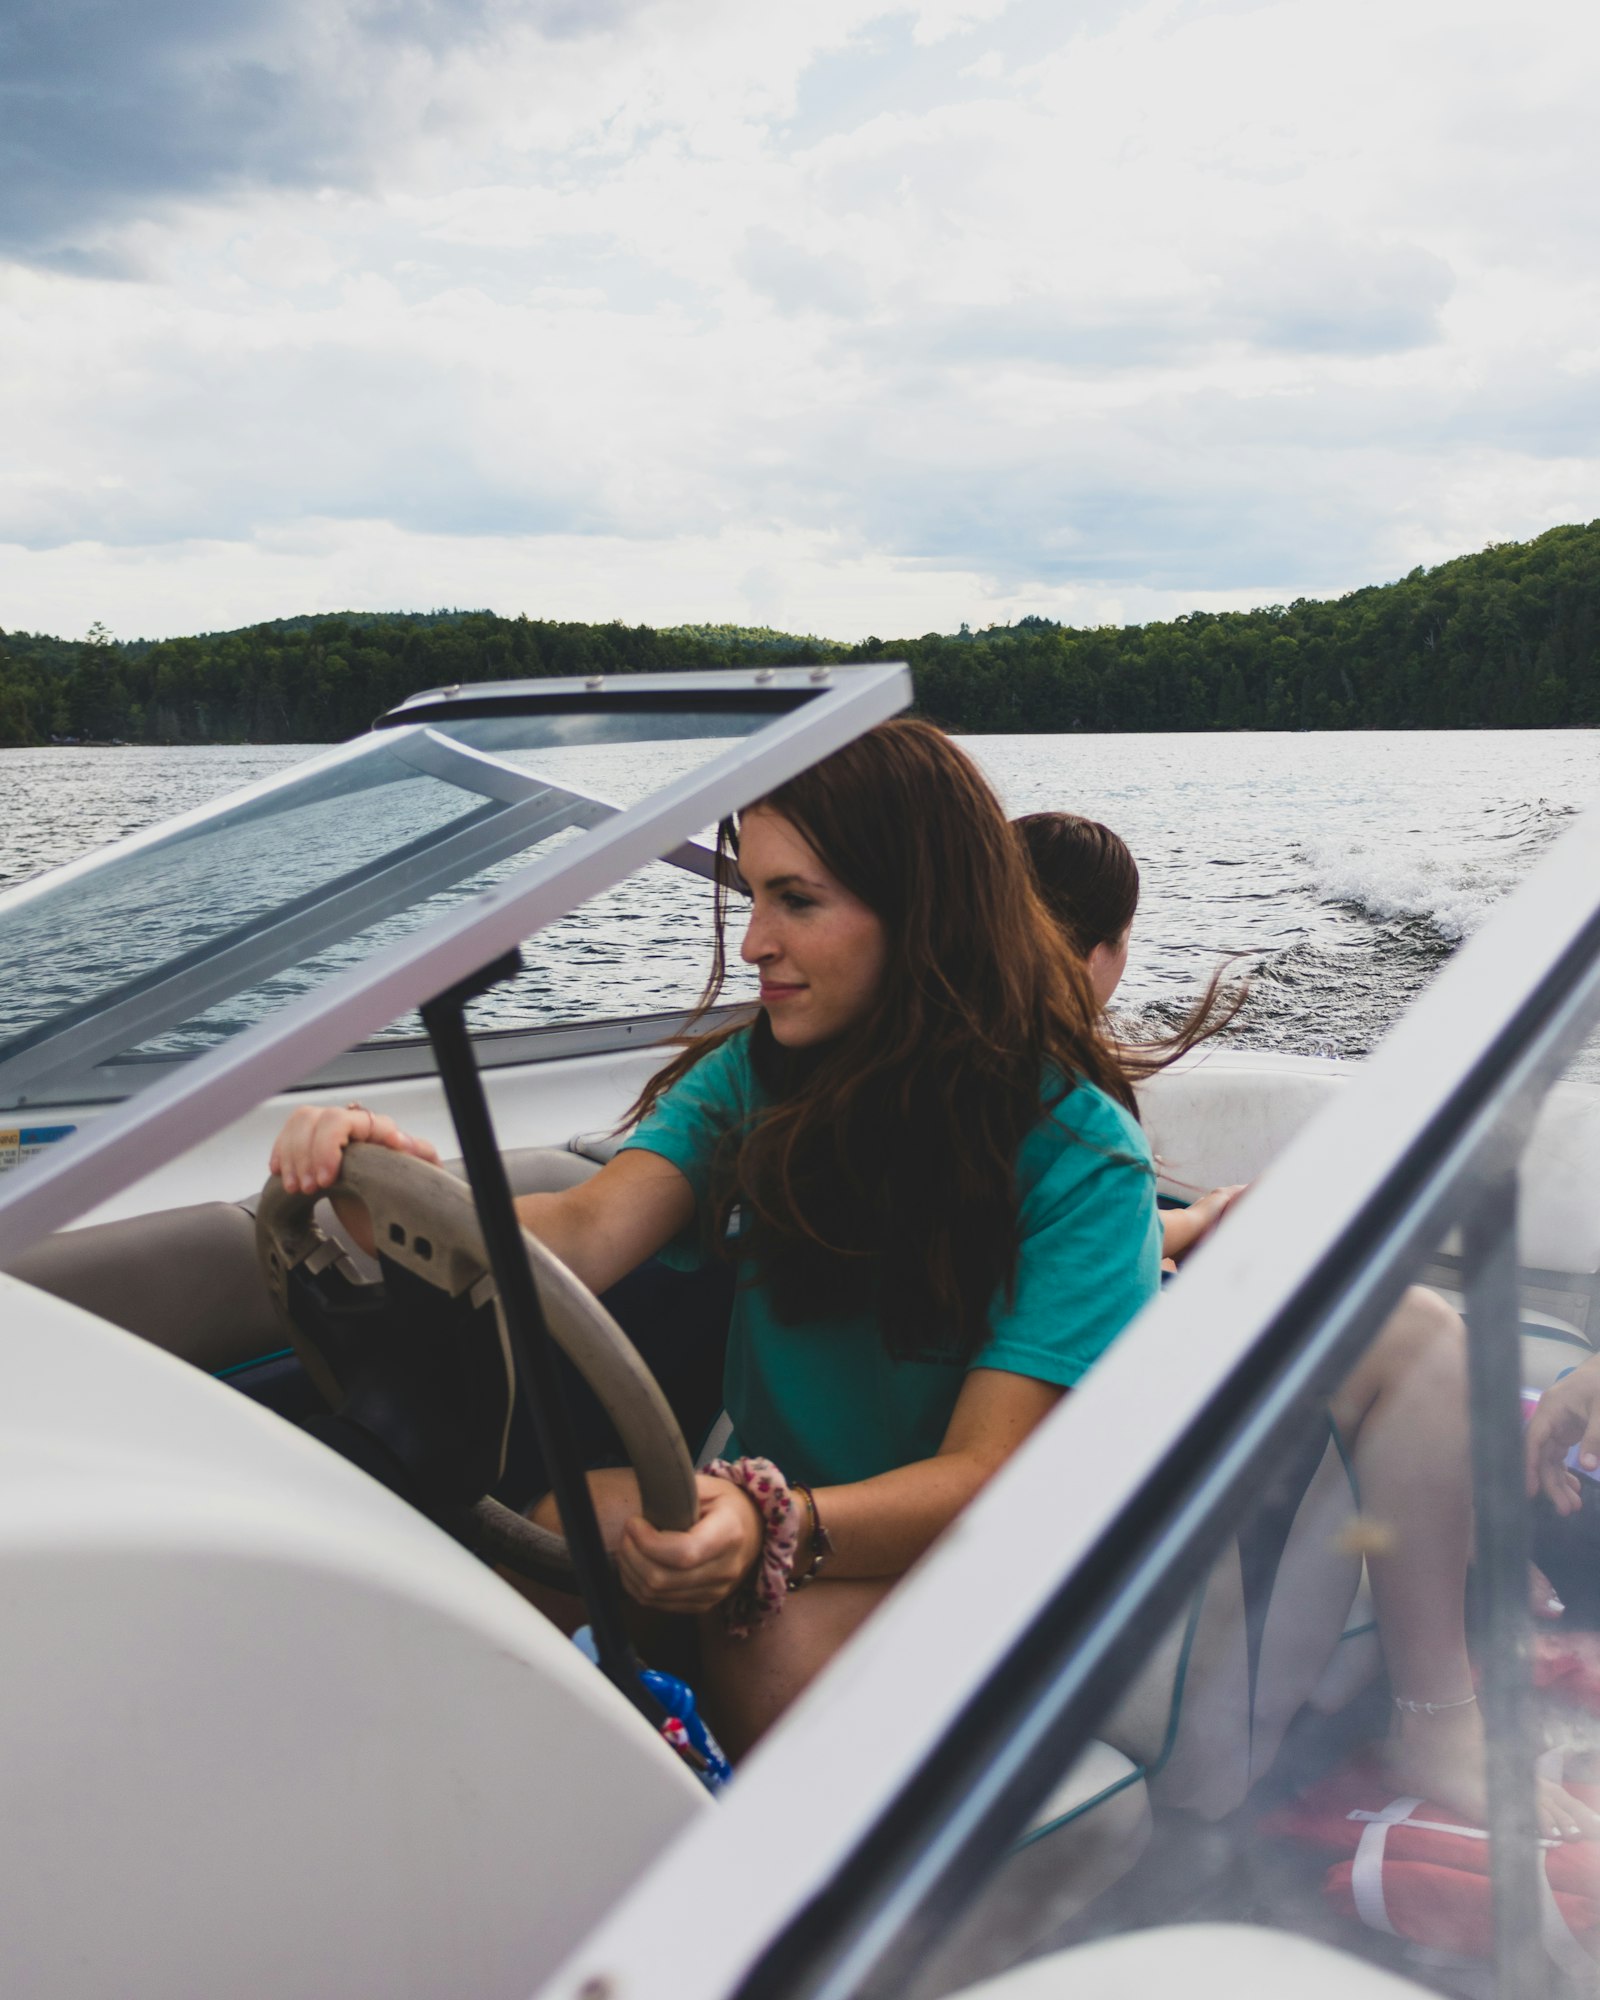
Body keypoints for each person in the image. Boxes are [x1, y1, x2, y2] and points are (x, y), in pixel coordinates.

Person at [269, 722, 1163, 1759]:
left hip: (990, 1564)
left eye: (797, 900)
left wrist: (774, 1526)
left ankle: (795, 1902)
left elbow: (988, 1475)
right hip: (773, 1505)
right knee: (560, 1529)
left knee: (766, 1631)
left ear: (922, 914)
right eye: (752, 897)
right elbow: (583, 1231)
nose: (752, 943)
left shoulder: (1083, 1158)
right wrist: (384, 1183)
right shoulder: (760, 1078)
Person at [1015, 809, 1600, 1841]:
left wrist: (1176, 1224)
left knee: (1447, 1357)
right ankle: (1443, 1699)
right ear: (1110, 955)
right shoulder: (1066, 1111)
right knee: (1419, 1332)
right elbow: (1055, 1294)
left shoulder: (1004, 1096)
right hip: (1111, 1431)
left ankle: (1492, 1542)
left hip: (1120, 1368)